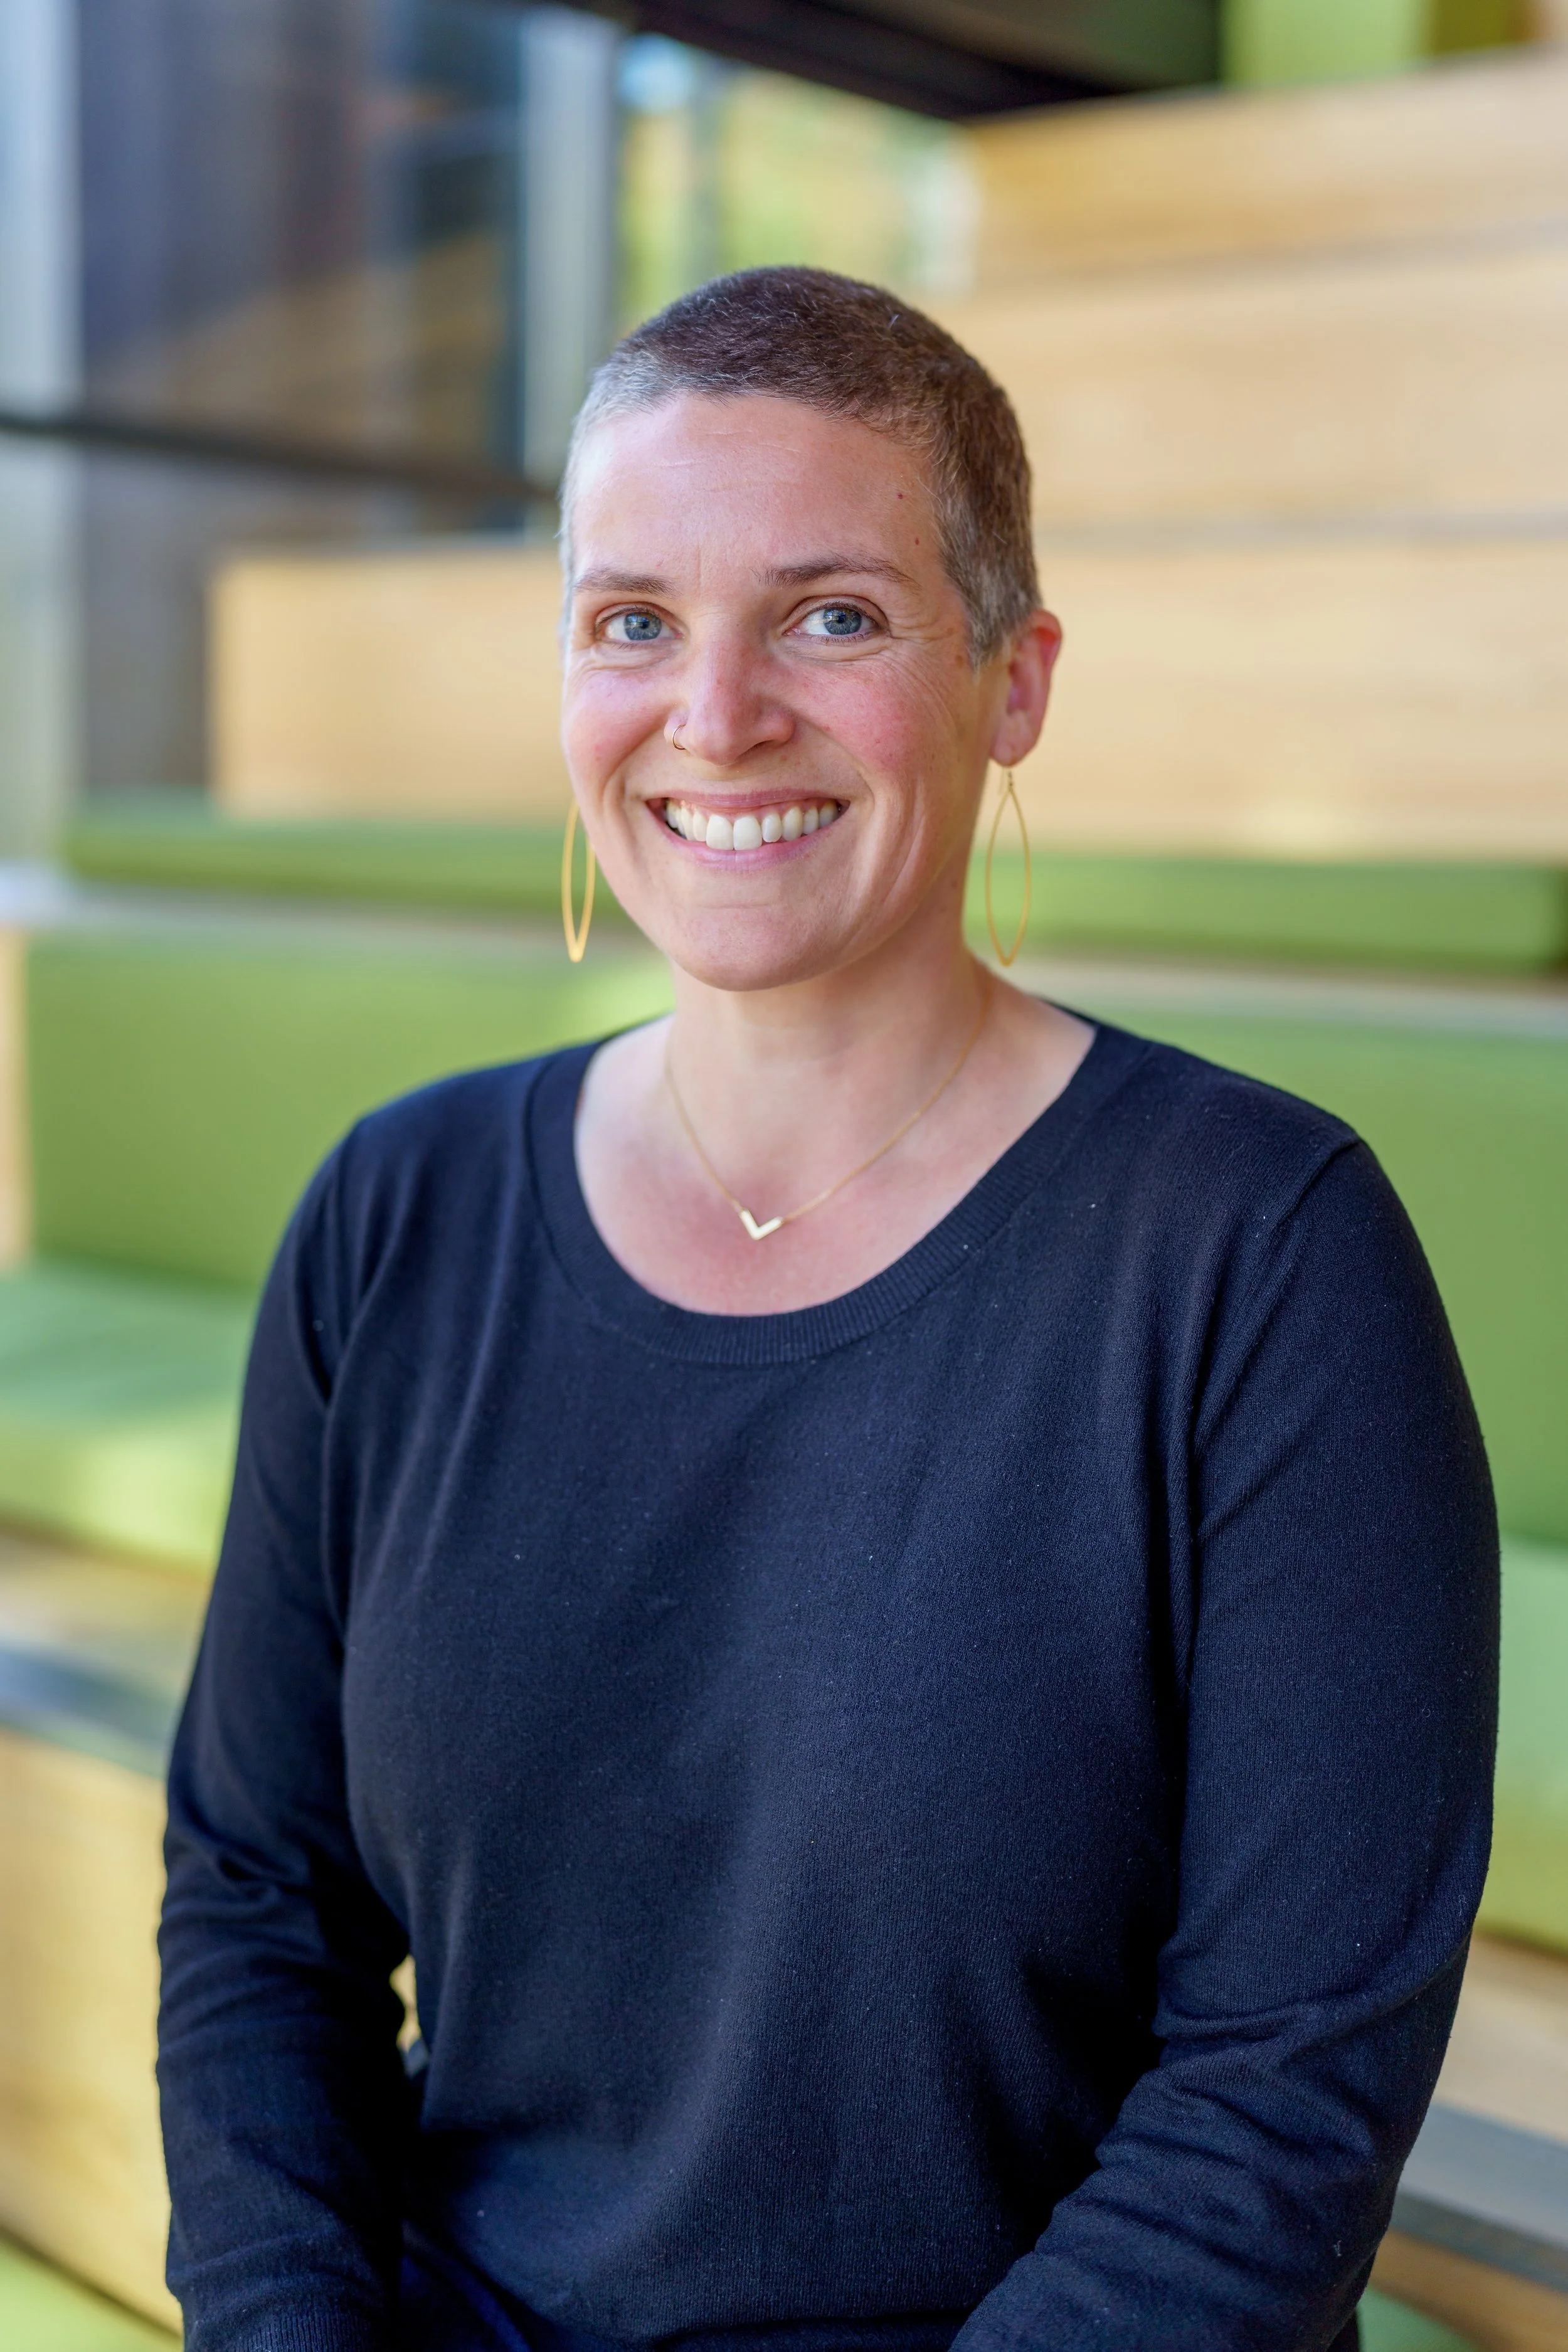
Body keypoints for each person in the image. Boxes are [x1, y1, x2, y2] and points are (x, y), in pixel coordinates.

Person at [157, 268, 1497, 2352]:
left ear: (1012, 677)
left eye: (831, 615)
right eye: (632, 620)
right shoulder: (391, 1213)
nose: (714, 717)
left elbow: (1280, 2094)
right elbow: (260, 1909)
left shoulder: (1259, 1251)